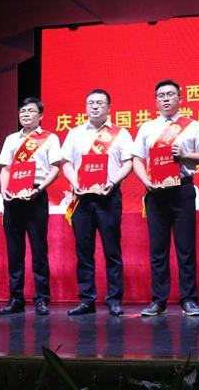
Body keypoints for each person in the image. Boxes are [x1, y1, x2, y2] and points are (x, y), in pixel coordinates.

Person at [131, 79, 199, 317]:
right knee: (158, 250)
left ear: (180, 98)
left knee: (186, 249)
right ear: (156, 101)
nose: (166, 99)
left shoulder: (192, 126)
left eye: (170, 94)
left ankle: (189, 300)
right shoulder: (147, 128)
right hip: (155, 193)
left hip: (182, 190)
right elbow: (136, 159)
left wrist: (185, 155)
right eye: (161, 96)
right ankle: (159, 301)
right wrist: (146, 181)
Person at [60, 89, 133, 316]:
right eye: (90, 102)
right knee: (84, 251)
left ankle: (114, 300)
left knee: (112, 250)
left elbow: (128, 163)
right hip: (82, 198)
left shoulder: (120, 134)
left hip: (108, 197)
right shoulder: (75, 133)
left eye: (100, 103)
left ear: (109, 108)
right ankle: (86, 299)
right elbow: (66, 163)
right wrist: (75, 183)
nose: (94, 106)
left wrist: (113, 182)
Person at [0, 97, 61, 316]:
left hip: (36, 195)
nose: (25, 114)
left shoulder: (49, 138)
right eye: (22, 111)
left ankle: (42, 299)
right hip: (12, 197)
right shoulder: (11, 139)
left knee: (39, 250)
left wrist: (40, 188)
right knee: (14, 251)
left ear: (40, 115)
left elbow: (55, 168)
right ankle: (16, 298)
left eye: (31, 111)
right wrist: (4, 190)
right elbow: (5, 168)